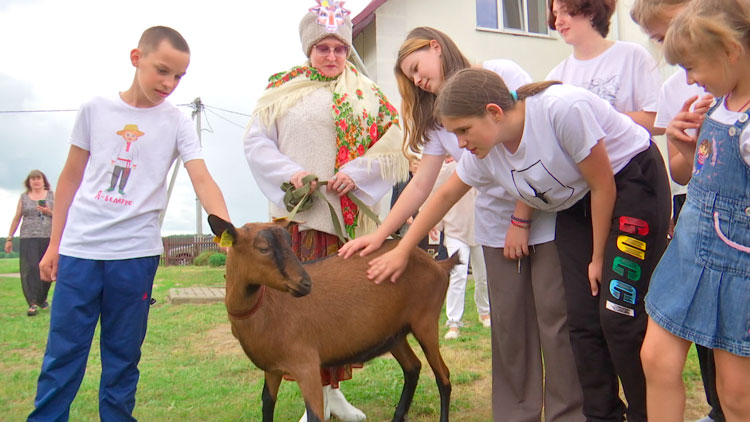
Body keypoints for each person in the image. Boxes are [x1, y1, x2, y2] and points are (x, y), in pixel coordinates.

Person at [362, 69, 672, 422]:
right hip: (578, 203)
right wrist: (400, 248)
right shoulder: (487, 153)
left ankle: (648, 414)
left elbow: (604, 185)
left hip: (630, 184)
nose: (460, 144)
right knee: (582, 320)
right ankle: (602, 417)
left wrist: (598, 257)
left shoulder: (560, 110)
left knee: (617, 315)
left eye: (463, 130)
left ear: (494, 112)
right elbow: (445, 194)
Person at [339, 27, 584, 422]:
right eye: (409, 77)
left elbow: (534, 146)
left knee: (555, 322)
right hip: (493, 224)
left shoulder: (500, 72)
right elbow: (425, 187)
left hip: (542, 214)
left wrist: (521, 218)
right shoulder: (438, 118)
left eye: (417, 67)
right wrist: (383, 236)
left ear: (436, 47)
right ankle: (516, 414)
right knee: (509, 329)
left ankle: (567, 414)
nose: (417, 80)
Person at [28, 26, 230, 422]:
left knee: (122, 360)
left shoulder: (176, 123)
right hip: (80, 251)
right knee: (63, 356)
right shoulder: (96, 109)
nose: (170, 83)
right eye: (162, 70)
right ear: (136, 57)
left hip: (135, 257)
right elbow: (69, 178)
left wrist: (227, 232)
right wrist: (55, 245)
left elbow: (201, 177)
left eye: (179, 77)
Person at [243, 5, 407, 421]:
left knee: (334, 310)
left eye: (339, 48)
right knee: (296, 312)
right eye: (323, 48)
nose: (332, 56)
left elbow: (392, 144)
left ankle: (333, 394)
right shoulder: (282, 88)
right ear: (308, 49)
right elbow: (257, 143)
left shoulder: (367, 92)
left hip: (343, 222)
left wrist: (356, 173)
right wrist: (291, 173)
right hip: (297, 220)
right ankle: (310, 397)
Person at [640, 0, 750, 421]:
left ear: (730, 52)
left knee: (736, 395)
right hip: (689, 251)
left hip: (737, 267)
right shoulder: (716, 104)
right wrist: (684, 144)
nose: (688, 80)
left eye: (692, 67)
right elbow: (687, 174)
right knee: (656, 358)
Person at [630, 2, 724, 421]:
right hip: (697, 215)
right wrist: (686, 143)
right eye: (661, 38)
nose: (673, 45)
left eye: (674, 29)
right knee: (673, 345)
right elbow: (682, 172)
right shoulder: (676, 86)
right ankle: (718, 405)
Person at [547, 0, 662, 135]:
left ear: (591, 11)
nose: (558, 22)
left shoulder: (633, 56)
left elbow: (658, 122)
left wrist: (599, 119)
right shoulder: (556, 77)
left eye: (565, 12)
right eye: (555, 14)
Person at [430, 157, 490, 340]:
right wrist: (434, 224)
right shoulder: (448, 169)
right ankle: (453, 323)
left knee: (483, 276)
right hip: (455, 227)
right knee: (458, 274)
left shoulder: (484, 162)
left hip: (480, 228)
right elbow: (435, 195)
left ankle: (485, 312)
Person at [5, 170, 54, 317]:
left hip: (48, 236)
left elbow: (61, 214)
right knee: (30, 269)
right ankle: (32, 303)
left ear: (43, 181)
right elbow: (17, 217)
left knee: (46, 268)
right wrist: (9, 238)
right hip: (28, 237)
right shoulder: (24, 197)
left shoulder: (52, 195)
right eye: (32, 179)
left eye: (38, 178)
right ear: (29, 182)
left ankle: (42, 298)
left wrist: (49, 212)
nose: (36, 181)